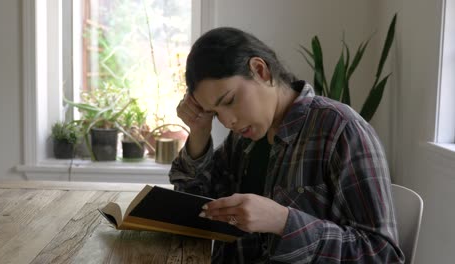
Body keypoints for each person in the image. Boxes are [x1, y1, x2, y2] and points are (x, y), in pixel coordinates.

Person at [169, 27, 405, 263]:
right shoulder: (244, 139)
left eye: (230, 100)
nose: (228, 121)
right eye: (215, 113)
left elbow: (382, 254)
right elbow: (196, 209)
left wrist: (283, 222)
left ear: (260, 70)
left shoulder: (342, 130)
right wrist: (199, 131)